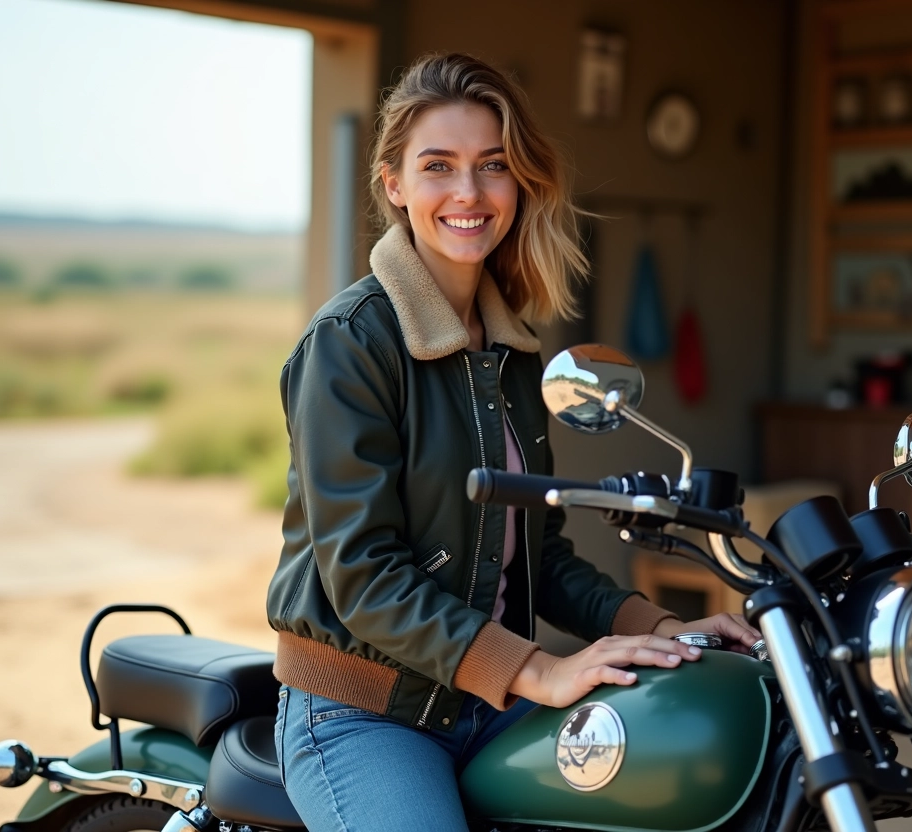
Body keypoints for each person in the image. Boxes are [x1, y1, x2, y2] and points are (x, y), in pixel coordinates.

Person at [267, 52, 761, 832]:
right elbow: (362, 575)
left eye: (492, 166)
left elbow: (539, 552)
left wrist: (657, 629)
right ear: (394, 185)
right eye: (439, 166)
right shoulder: (349, 344)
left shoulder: (511, 352)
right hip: (365, 713)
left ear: (518, 182)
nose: (468, 193)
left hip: (483, 703)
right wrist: (536, 667)